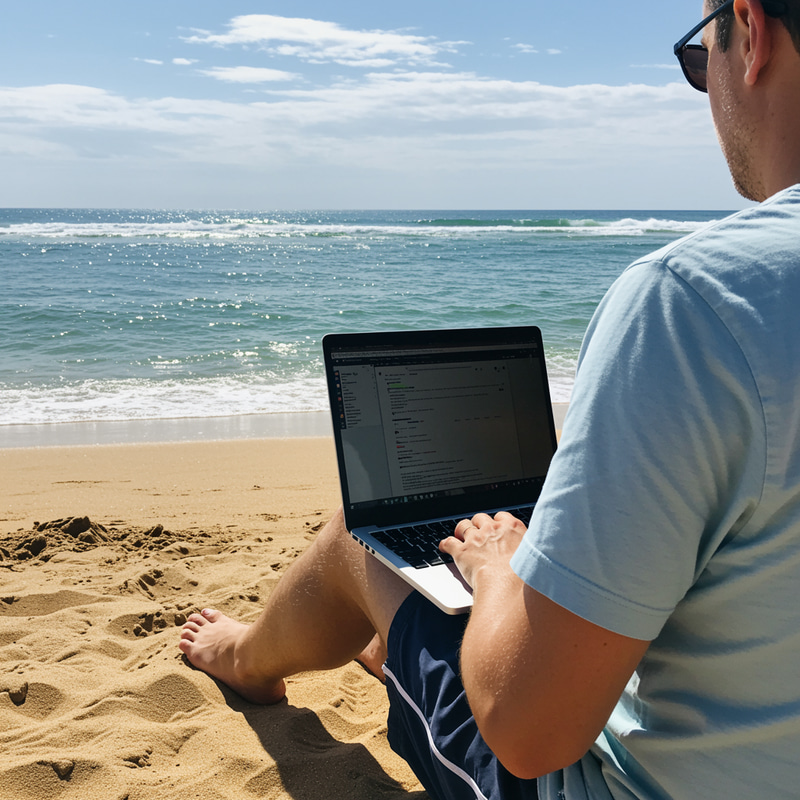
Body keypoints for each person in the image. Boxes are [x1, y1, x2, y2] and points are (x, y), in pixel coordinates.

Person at [179, 1, 800, 797]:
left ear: (748, 34)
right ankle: (404, 649)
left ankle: (243, 660)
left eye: (696, 58)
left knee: (354, 539)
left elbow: (529, 734)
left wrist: (503, 572)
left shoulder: (695, 303)